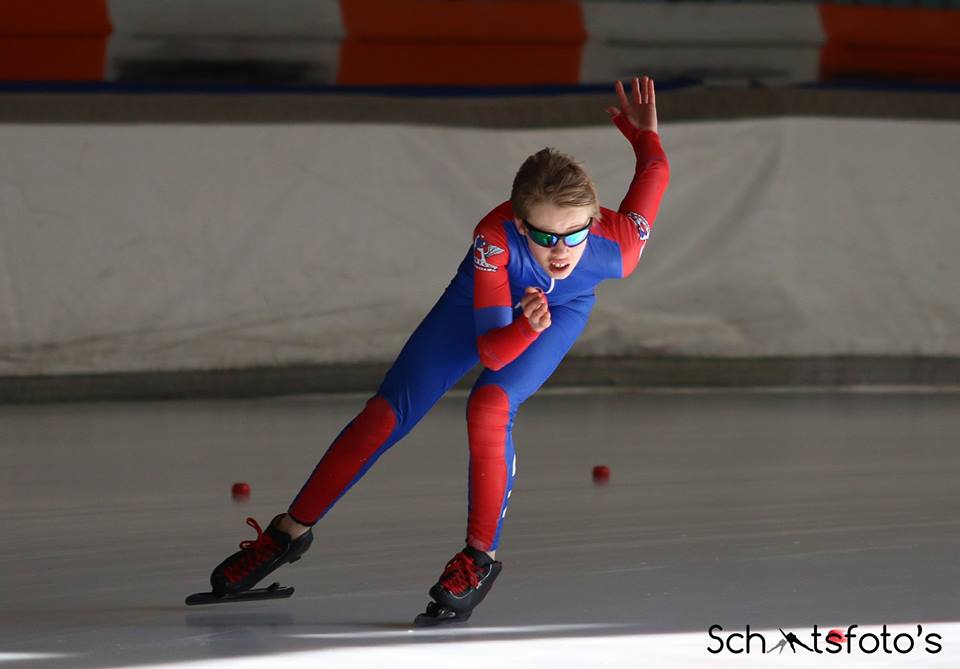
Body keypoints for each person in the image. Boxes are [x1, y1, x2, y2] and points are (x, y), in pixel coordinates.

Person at [205, 75, 670, 624]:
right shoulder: (493, 239)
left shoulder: (618, 247)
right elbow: (492, 347)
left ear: (593, 221)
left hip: (557, 314)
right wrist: (521, 326)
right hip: (482, 307)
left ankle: (479, 557)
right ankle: (288, 533)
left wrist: (644, 135)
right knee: (384, 415)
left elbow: (655, 171)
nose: (561, 250)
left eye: (574, 234)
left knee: (491, 407)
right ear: (520, 224)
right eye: (544, 236)